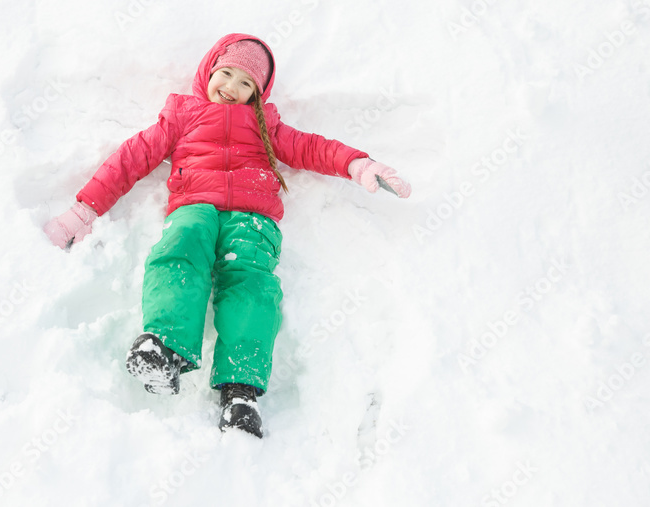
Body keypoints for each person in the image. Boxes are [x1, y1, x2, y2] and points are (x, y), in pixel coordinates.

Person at [44, 33, 411, 438]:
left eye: (246, 83)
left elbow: (313, 148)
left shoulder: (267, 125)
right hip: (194, 207)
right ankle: (163, 346)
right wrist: (84, 208)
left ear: (258, 93)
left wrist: (358, 164)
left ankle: (241, 390)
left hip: (253, 219)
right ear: (209, 72)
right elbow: (131, 158)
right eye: (227, 74)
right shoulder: (183, 115)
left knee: (252, 285)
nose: (232, 88)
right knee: (179, 250)